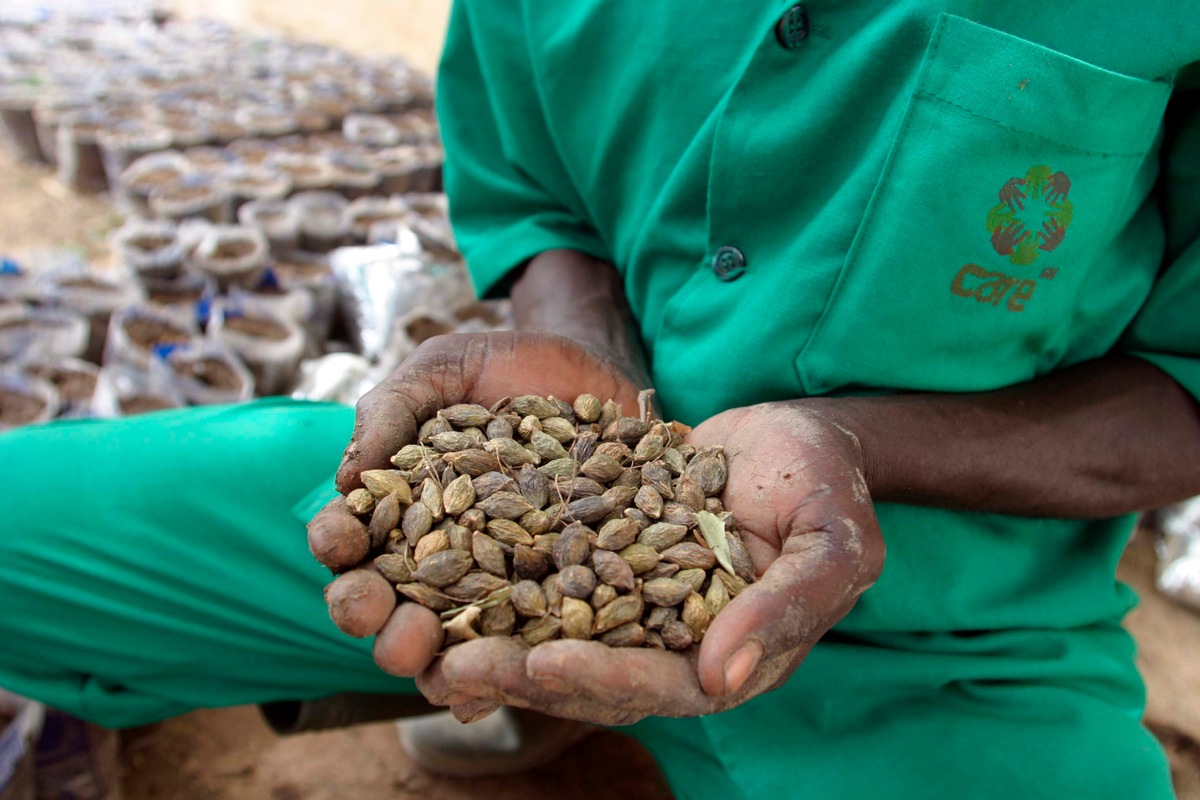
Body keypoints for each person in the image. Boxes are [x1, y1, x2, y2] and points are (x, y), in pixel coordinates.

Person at [3, 2, 1200, 797]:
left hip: (953, 636)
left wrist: (848, 442)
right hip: (568, 483)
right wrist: (578, 349)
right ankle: (567, 698)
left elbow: (1182, 396)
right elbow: (535, 189)